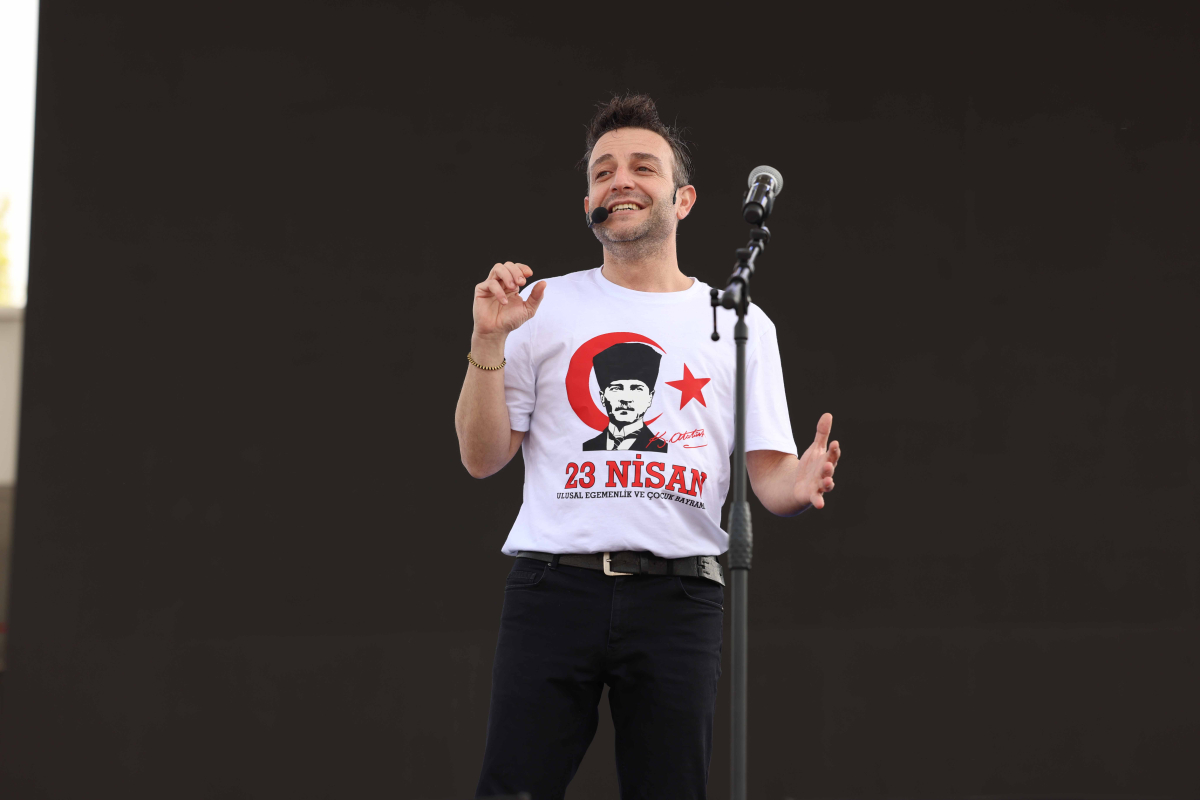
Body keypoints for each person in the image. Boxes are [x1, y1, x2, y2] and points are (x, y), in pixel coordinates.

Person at [454, 94, 842, 800]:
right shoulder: (540, 306)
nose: (620, 181)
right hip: (554, 587)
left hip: (678, 593)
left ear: (683, 199)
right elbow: (482, 458)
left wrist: (801, 480)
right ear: (588, 205)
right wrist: (488, 339)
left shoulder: (737, 320)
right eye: (603, 173)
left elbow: (770, 481)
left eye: (643, 167)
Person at [581, 341, 669, 452]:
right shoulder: (587, 448)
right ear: (602, 397)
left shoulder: (662, 449)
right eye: (616, 389)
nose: (625, 399)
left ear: (650, 398)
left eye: (636, 389)